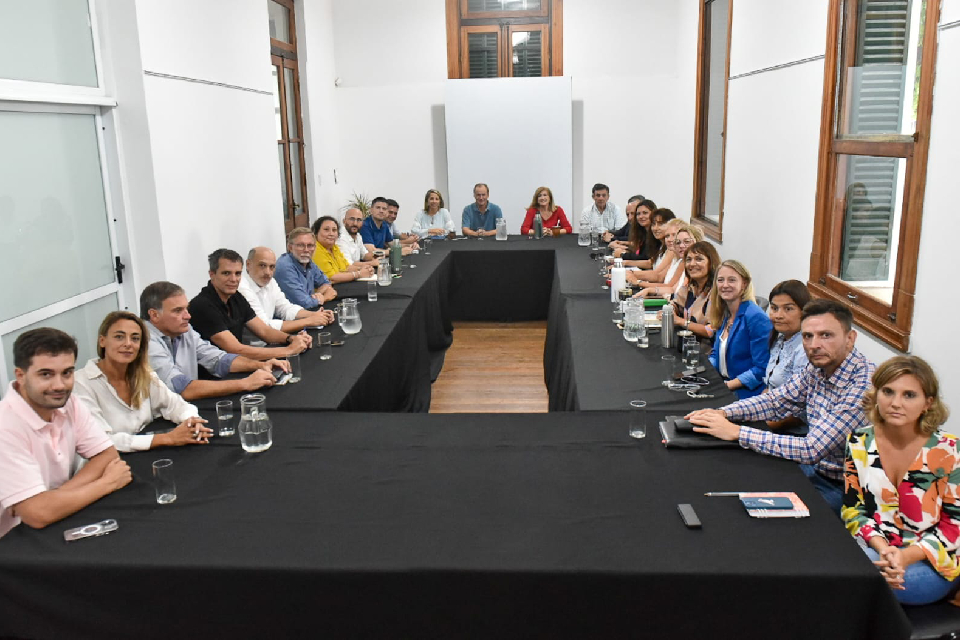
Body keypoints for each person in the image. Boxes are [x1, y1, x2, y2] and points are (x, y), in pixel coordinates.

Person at [686, 299, 874, 513]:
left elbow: (811, 449)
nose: (814, 345)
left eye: (826, 335)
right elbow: (776, 401)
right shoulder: (818, 368)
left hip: (845, 488)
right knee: (736, 478)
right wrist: (724, 412)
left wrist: (737, 432)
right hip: (814, 469)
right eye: (808, 336)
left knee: (749, 509)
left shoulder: (863, 386)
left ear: (850, 339)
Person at [843, 356, 959, 605]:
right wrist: (883, 549)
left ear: (928, 403)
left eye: (909, 395)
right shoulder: (858, 441)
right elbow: (853, 509)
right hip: (876, 548)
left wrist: (905, 557)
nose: (895, 403)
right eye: (888, 391)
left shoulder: (950, 450)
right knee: (841, 572)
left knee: (862, 583)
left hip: (930, 559)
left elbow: (955, 525)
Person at [0, 328, 132, 538]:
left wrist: (55, 498)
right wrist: (107, 483)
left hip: (56, 519)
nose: (59, 385)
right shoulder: (5, 426)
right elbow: (37, 514)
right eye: (46, 374)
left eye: (67, 373)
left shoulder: (69, 403)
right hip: (12, 542)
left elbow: (107, 455)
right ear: (20, 376)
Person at [74, 311, 213, 452]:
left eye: (135, 338)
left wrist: (192, 422)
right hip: (111, 460)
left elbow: (175, 404)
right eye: (119, 337)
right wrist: (168, 438)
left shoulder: (144, 374)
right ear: (102, 341)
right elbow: (101, 441)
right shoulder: (81, 383)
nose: (128, 344)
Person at [142, 281, 285, 401]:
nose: (188, 316)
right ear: (154, 315)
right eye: (178, 311)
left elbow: (218, 359)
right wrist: (245, 383)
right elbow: (182, 388)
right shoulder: (145, 342)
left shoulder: (184, 330)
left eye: (186, 309)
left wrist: (261, 365)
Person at [189, 249, 311, 360]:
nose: (233, 279)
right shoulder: (202, 306)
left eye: (237, 273)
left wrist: (291, 338)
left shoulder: (235, 296)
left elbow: (264, 331)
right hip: (216, 373)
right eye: (226, 273)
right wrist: (288, 350)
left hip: (235, 364)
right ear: (212, 275)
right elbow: (236, 349)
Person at [703, 260, 771, 400]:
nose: (725, 285)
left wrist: (727, 386)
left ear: (744, 284)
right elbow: (716, 354)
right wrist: (702, 370)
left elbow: (762, 369)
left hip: (745, 395)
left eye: (732, 280)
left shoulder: (756, 317)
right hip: (724, 385)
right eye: (720, 280)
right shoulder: (726, 313)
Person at [239, 247, 335, 334]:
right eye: (262, 265)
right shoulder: (242, 288)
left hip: (271, 340)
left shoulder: (270, 282)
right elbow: (265, 326)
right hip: (255, 346)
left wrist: (316, 315)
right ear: (248, 265)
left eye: (272, 267)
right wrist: (309, 321)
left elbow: (285, 308)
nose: (268, 272)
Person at [762, 280, 812, 430]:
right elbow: (770, 388)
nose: (778, 315)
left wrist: (760, 426)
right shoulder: (780, 339)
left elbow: (801, 412)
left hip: (792, 431)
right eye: (774, 308)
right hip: (771, 415)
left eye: (788, 309)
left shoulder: (805, 349)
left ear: (804, 312)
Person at [665, 240, 721, 341]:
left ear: (711, 262)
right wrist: (670, 311)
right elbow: (675, 304)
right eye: (688, 259)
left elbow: (711, 331)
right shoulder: (690, 286)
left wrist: (681, 321)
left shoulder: (717, 292)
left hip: (707, 347)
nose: (692, 264)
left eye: (699, 259)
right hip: (689, 342)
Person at [632, 221, 701, 297]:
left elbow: (660, 278)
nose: (681, 246)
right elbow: (672, 289)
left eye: (687, 242)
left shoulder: (692, 266)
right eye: (678, 242)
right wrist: (648, 289)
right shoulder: (680, 260)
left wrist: (638, 282)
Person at [275, 226, 337, 310]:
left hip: (307, 311)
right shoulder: (284, 267)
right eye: (301, 245)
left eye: (310, 245)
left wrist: (317, 295)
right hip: (291, 316)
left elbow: (325, 282)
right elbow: (303, 303)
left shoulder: (308, 261)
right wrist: (324, 297)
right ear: (290, 248)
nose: (306, 250)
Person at [312, 216, 376, 283]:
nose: (331, 234)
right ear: (316, 233)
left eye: (334, 230)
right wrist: (359, 274)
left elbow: (346, 267)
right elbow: (332, 278)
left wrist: (364, 269)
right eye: (326, 230)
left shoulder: (334, 248)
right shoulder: (315, 250)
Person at [614, 198, 658, 263]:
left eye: (645, 213)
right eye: (638, 214)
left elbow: (645, 258)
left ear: (653, 214)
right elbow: (640, 253)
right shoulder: (643, 231)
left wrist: (622, 255)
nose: (641, 216)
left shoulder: (655, 233)